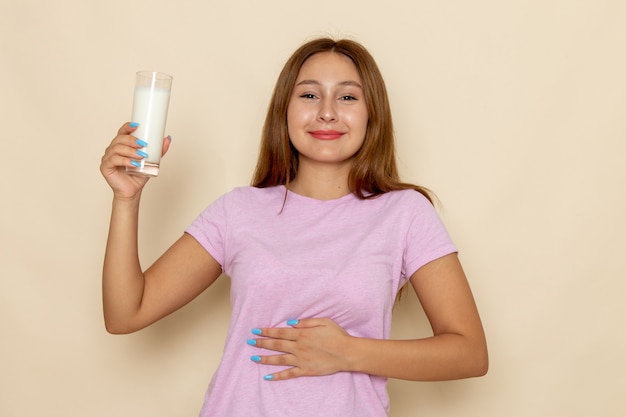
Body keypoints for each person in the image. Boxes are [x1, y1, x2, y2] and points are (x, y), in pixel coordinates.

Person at [100, 37, 488, 417]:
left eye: (348, 97)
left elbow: (469, 353)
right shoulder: (238, 211)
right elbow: (125, 314)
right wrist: (126, 199)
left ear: (373, 114)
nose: (327, 112)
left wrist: (349, 351)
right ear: (284, 110)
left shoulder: (405, 214)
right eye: (309, 95)